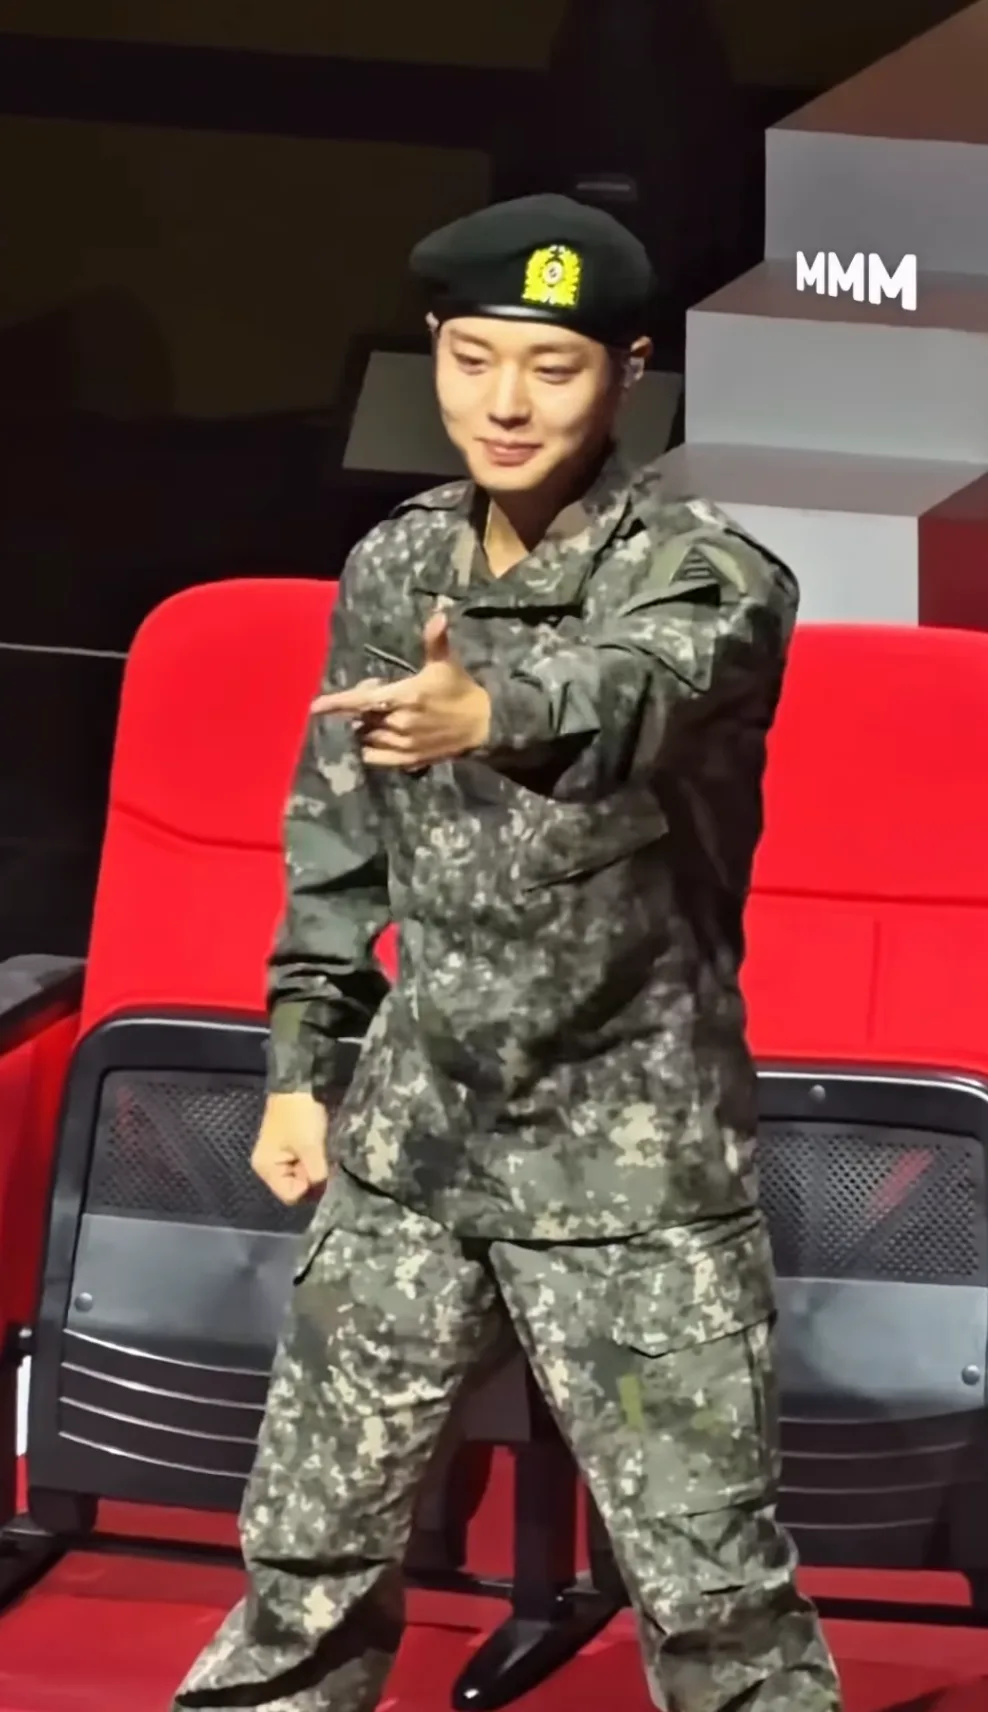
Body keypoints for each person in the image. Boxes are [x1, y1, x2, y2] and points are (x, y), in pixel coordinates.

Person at [172, 194, 843, 1712]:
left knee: (716, 1601)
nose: (508, 403)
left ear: (628, 373)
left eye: (552, 366)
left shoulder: (709, 574)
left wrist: (491, 710)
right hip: (416, 1142)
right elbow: (336, 844)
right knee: (305, 1562)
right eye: (473, 361)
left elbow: (639, 685)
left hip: (633, 1170)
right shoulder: (397, 565)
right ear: (433, 353)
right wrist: (303, 1068)